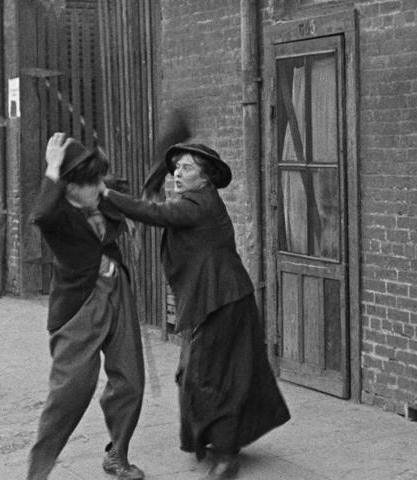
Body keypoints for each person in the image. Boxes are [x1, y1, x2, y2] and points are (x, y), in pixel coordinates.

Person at [102, 143, 291, 480]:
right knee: (209, 373)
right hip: (217, 299)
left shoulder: (198, 204)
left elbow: (155, 213)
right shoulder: (195, 201)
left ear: (205, 179)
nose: (177, 173)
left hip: (222, 300)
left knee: (205, 377)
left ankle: (227, 457)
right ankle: (219, 439)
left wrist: (105, 194)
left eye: (187, 168)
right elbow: (159, 209)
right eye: (176, 167)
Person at [27, 133, 145, 480]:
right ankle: (37, 472)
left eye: (99, 179)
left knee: (131, 381)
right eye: (91, 183)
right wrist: (52, 168)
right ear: (69, 187)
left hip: (117, 291)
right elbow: (40, 213)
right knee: (70, 392)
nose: (99, 187)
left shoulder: (99, 194)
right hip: (79, 306)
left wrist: (124, 211)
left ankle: (117, 454)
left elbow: (120, 188)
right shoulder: (57, 214)